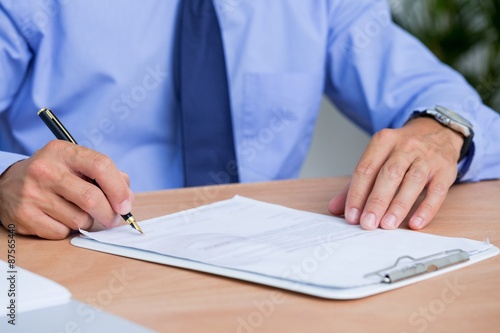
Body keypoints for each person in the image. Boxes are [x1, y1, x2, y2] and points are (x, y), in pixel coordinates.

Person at [1, 0, 499, 240]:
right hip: (77, 260)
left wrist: (441, 130)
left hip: (263, 268)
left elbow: (443, 100)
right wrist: (4, 178)